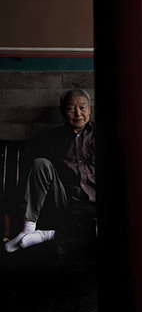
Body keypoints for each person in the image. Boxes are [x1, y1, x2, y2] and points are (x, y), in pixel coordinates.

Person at [4, 89, 96, 253]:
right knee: (40, 163)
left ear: (90, 109)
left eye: (82, 107)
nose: (78, 114)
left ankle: (47, 235)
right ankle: (28, 229)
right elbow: (36, 174)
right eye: (71, 109)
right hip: (64, 202)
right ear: (63, 112)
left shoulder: (101, 134)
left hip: (94, 203)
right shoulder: (52, 138)